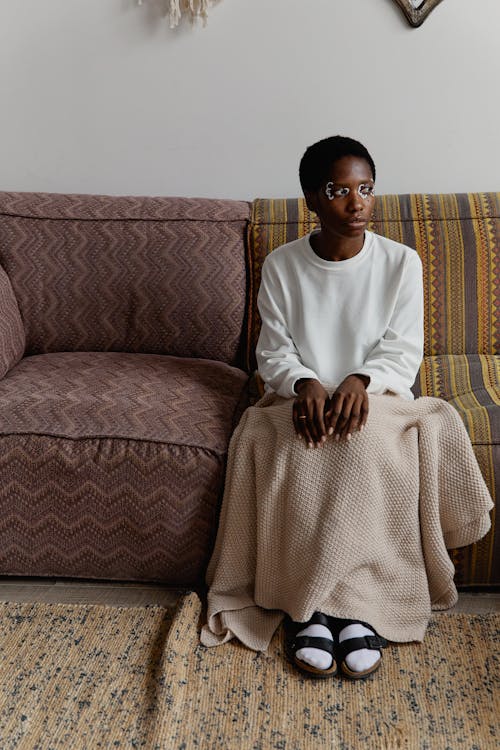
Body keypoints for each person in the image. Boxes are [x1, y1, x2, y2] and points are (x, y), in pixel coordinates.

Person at [200, 135, 493, 680]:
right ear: (312, 198)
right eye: (339, 190)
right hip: (300, 397)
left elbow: (402, 348)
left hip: (379, 398)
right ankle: (309, 606)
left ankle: (356, 607)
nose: (356, 202)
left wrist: (362, 379)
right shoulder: (283, 266)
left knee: (362, 446)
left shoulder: (401, 263)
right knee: (293, 446)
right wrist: (304, 383)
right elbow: (275, 348)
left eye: (366, 189)